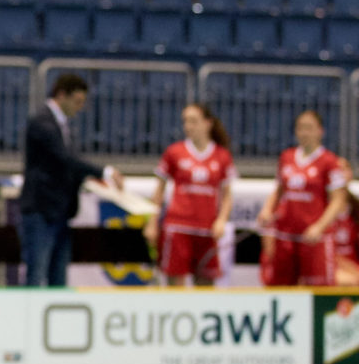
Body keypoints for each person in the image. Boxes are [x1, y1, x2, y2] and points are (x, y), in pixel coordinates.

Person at [18, 73, 123, 287]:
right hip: (41, 211)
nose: (80, 107)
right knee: (37, 275)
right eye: (77, 101)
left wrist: (89, 180)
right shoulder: (42, 121)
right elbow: (64, 158)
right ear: (61, 95)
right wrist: (104, 172)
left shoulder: (63, 126)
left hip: (60, 211)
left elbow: (66, 165)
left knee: (58, 276)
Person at [142, 103, 237, 287]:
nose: (188, 126)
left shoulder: (222, 156)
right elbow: (159, 190)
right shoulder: (174, 152)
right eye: (185, 121)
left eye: (193, 121)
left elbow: (227, 195)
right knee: (175, 289)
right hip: (178, 228)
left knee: (205, 288)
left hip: (207, 230)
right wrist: (152, 222)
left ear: (208, 123)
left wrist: (222, 220)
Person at [257, 109, 349, 286]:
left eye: (309, 128)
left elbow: (338, 200)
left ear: (320, 131)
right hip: (286, 235)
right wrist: (267, 209)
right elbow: (279, 190)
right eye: (301, 128)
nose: (304, 132)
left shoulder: (329, 162)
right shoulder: (287, 157)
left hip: (315, 238)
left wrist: (319, 226)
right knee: (281, 287)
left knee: (319, 289)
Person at [332, 158, 359, 286]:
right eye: (337, 171)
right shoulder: (320, 210)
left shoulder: (356, 208)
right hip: (330, 268)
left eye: (344, 169)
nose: (341, 174)